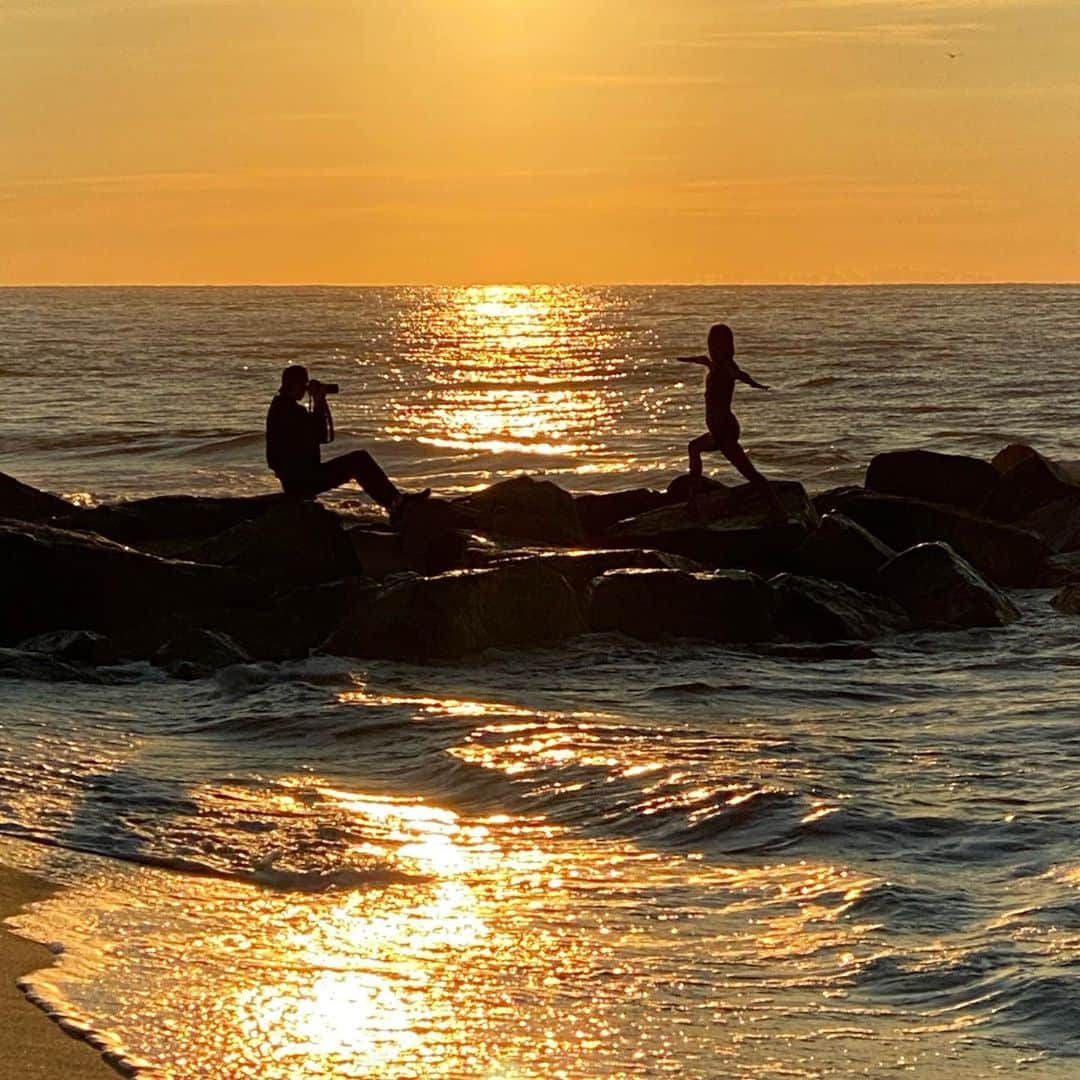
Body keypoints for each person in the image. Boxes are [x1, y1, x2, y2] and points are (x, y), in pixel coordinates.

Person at [266, 364, 429, 523]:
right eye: (304, 384)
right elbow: (322, 436)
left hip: (297, 479)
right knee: (359, 461)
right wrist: (319, 402)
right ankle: (395, 503)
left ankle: (395, 501)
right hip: (303, 480)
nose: (305, 389)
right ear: (296, 384)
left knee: (358, 460)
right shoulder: (291, 412)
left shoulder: (280, 407)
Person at [676, 323, 781, 510]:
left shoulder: (727, 366)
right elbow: (704, 360)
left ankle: (777, 509)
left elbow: (740, 375)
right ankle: (693, 500)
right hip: (716, 429)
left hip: (725, 429)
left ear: (727, 345)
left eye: (718, 344)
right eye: (711, 343)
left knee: (749, 472)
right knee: (694, 448)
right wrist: (687, 359)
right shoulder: (714, 364)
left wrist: (755, 384)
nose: (713, 347)